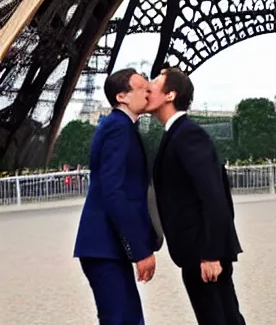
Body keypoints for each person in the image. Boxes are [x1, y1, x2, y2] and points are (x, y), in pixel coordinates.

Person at [146, 66, 246, 325]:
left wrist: (211, 254)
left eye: (155, 81)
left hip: (203, 253)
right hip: (199, 251)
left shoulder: (187, 134)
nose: (149, 86)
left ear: (170, 95)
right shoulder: (177, 134)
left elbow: (213, 196)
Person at [74, 68, 162, 325]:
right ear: (122, 96)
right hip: (105, 247)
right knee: (123, 319)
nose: (148, 92)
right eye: (142, 89)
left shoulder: (118, 125)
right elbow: (115, 193)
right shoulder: (119, 129)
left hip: (104, 246)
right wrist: (140, 250)